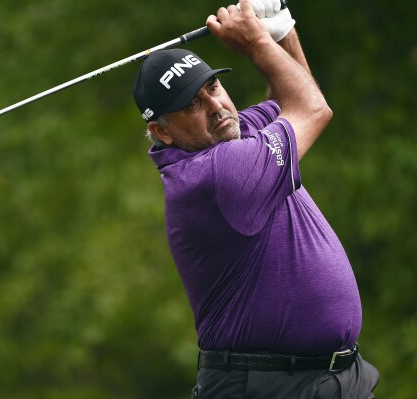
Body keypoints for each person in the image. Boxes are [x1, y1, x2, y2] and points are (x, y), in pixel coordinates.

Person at [132, 1, 379, 398]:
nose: (215, 107)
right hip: (265, 387)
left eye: (211, 87)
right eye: (191, 105)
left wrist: (281, 30)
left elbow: (295, 93)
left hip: (334, 378)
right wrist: (258, 42)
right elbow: (313, 109)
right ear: (162, 132)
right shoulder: (216, 173)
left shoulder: (233, 134)